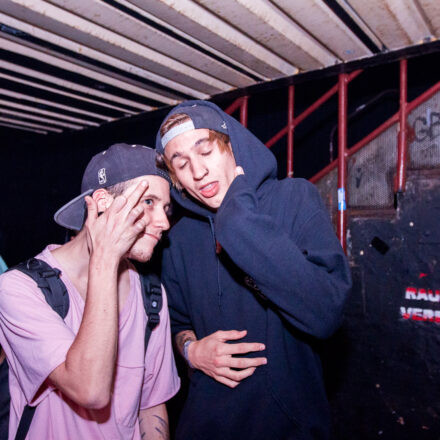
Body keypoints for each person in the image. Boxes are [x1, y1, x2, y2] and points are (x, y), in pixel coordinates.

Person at [156, 101, 352, 439]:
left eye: (205, 151)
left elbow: (326, 311)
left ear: (232, 146)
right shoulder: (179, 238)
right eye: (182, 164)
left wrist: (238, 222)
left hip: (289, 425)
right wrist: (191, 351)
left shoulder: (294, 199)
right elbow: (177, 323)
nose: (198, 171)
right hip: (204, 426)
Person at [0, 143, 180, 439]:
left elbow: (151, 406)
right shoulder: (19, 288)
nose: (163, 222)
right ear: (102, 202)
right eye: (149, 202)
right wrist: (105, 259)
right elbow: (90, 389)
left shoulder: (151, 294)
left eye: (166, 208)